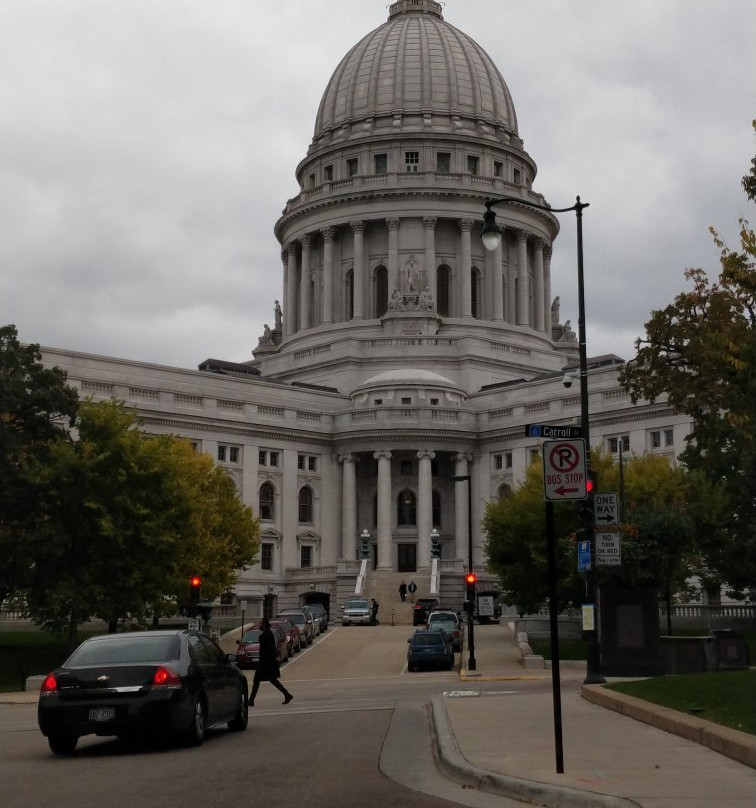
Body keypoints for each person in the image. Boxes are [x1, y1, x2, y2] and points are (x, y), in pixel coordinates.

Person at [249, 617, 293, 706]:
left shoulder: (264, 636)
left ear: (264, 625)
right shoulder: (269, 634)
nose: (259, 625)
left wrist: (265, 662)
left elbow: (268, 650)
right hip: (268, 662)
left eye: (260, 623)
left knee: (261, 679)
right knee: (270, 679)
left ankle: (251, 700)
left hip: (265, 663)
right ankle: (286, 694)